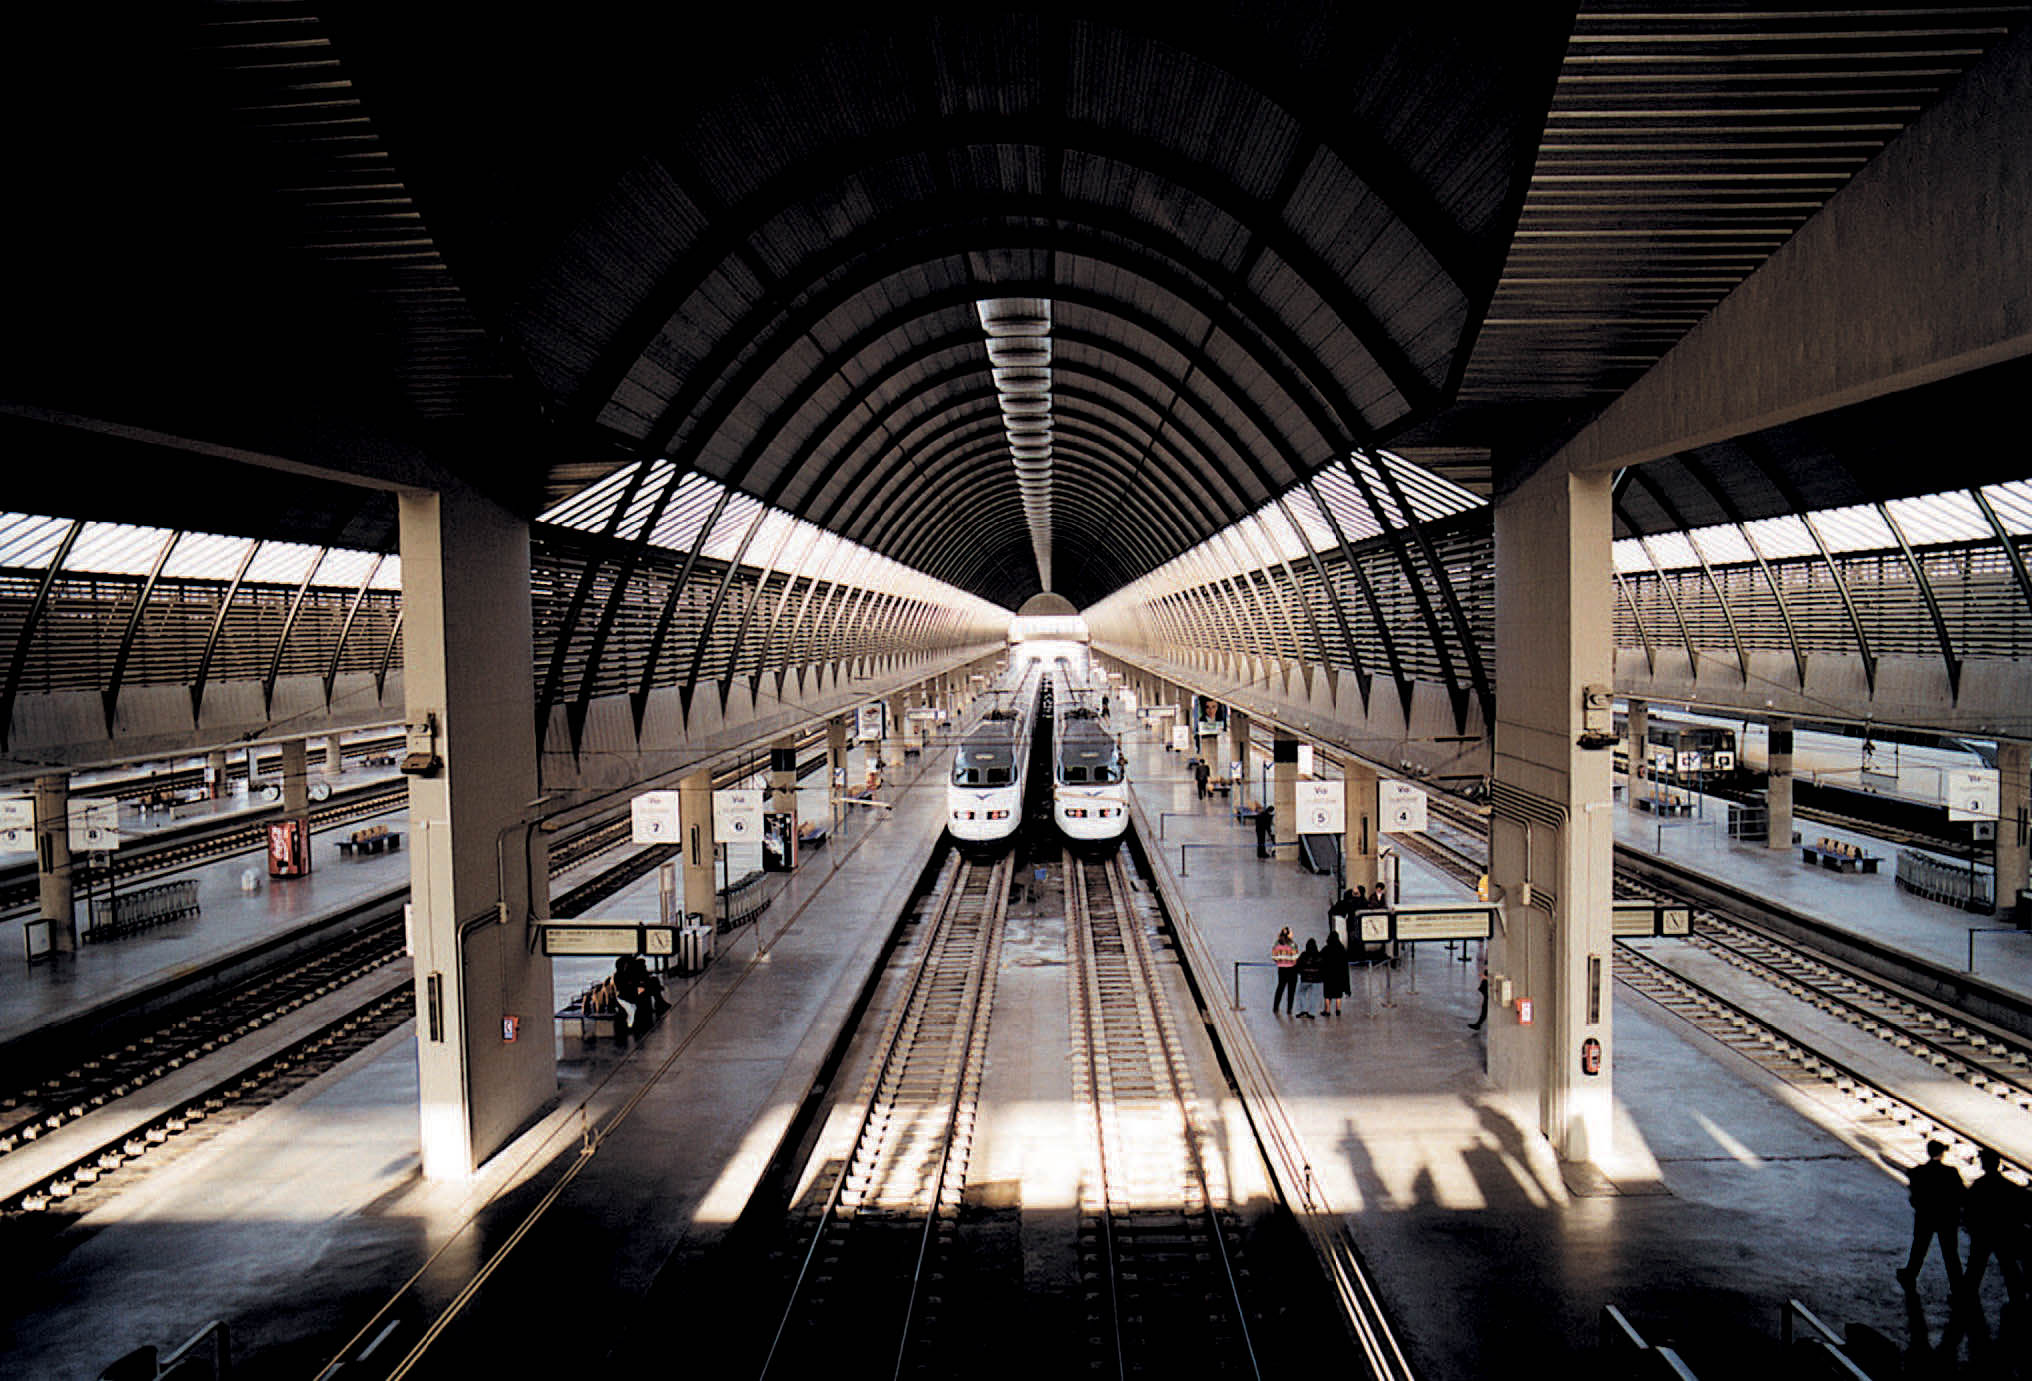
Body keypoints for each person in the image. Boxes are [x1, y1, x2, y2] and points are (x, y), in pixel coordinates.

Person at [1963, 1147, 2027, 1303]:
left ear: (1983, 1164)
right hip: (2003, 1233)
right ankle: (2017, 1296)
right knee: (2008, 1266)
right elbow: (2021, 1210)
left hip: (1983, 1233)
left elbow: (1969, 1210)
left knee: (1975, 1266)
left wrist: (1970, 1228)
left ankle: (1966, 1294)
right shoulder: (2009, 1186)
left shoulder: (1979, 1185)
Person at [1899, 1140, 1965, 1291]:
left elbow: (1914, 1195)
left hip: (1925, 1217)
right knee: (1950, 1254)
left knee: (1919, 1249)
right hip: (1947, 1219)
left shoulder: (1918, 1172)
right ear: (1942, 1154)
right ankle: (1958, 1285)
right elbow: (1961, 1195)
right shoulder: (1951, 1172)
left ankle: (1910, 1274)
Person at [614, 955, 671, 1036]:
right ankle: (659, 1002)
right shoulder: (619, 976)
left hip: (633, 992)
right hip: (628, 995)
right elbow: (624, 989)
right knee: (650, 987)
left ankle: (659, 1002)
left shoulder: (627, 973)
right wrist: (637, 989)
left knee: (651, 984)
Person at [1319, 929, 1349, 1017]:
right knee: (1338, 994)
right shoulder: (1341, 948)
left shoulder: (1326, 949)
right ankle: (1338, 1009)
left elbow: (1320, 958)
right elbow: (1344, 962)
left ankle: (1327, 1010)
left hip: (1328, 975)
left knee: (1328, 993)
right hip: (1339, 975)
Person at [1270, 926, 1299, 1015]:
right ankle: (1289, 1009)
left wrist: (1281, 961)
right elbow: (1295, 958)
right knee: (1291, 990)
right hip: (1292, 969)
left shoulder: (1277, 944)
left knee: (1280, 987)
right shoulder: (1293, 945)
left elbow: (1274, 957)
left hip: (1282, 969)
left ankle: (1275, 1007)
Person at [1294, 937, 1322, 1019]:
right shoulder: (1319, 955)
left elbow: (1298, 966)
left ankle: (1303, 1010)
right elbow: (1323, 967)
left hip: (1305, 979)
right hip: (1316, 980)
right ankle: (1312, 1013)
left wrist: (1301, 973)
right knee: (1314, 996)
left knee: (1301, 993)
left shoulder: (1303, 955)